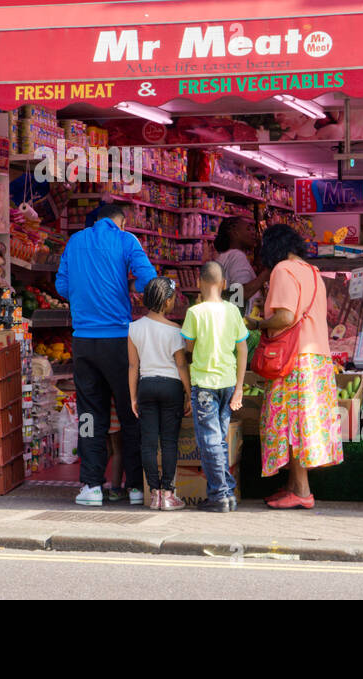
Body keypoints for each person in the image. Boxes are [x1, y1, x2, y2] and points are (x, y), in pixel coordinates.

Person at [55, 202, 158, 507]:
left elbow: (62, 285)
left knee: (90, 415)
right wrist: (128, 286)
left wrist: (86, 291)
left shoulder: (75, 241)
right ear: (122, 222)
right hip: (118, 341)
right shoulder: (126, 240)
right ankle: (136, 486)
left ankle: (91, 485)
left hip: (84, 342)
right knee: (130, 414)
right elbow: (147, 279)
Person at [248, 223, 341, 510]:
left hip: (294, 362)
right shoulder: (313, 273)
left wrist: (257, 324)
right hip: (317, 360)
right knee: (301, 423)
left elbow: (285, 317)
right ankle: (292, 486)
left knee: (291, 424)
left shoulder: (282, 270)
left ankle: (301, 490)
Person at [179, 261, 249, 513]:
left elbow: (187, 347)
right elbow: (242, 349)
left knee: (209, 441)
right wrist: (240, 387)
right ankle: (225, 492)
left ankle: (220, 494)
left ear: (199, 282)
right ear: (224, 284)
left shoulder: (194, 313)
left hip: (205, 384)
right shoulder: (233, 311)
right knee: (218, 440)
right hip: (229, 382)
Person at [128, 277, 190, 511]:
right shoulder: (175, 330)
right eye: (173, 299)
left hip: (146, 385)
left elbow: (133, 366)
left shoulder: (134, 328)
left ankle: (154, 494)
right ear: (166, 302)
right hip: (171, 386)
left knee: (148, 443)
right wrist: (188, 392)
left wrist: (133, 396)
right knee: (169, 442)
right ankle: (168, 494)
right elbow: (181, 365)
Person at [213, 216, 269, 311]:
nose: (253, 233)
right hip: (241, 322)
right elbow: (240, 293)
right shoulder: (236, 256)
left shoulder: (224, 256)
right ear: (234, 232)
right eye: (248, 229)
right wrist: (266, 274)